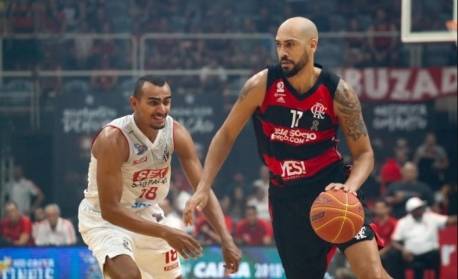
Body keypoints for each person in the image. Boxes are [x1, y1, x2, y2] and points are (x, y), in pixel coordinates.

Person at [185, 17, 391, 279]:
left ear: (312, 45)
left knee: (370, 272)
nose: (283, 52)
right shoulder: (261, 85)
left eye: (291, 45)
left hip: (332, 187)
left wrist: (350, 187)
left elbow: (364, 154)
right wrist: (203, 186)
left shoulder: (338, 93)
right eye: (279, 45)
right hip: (287, 198)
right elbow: (225, 135)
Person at [78, 76, 241, 279]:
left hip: (146, 214)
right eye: (153, 102)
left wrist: (226, 239)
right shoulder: (114, 139)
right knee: (129, 276)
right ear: (134, 103)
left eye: (166, 102)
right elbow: (111, 211)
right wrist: (166, 232)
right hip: (103, 218)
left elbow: (203, 190)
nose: (162, 109)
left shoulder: (176, 133)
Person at [391, 197, 457, 279]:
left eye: (421, 208)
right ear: (411, 211)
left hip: (430, 254)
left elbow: (450, 221)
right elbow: (394, 241)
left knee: (434, 255)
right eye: (418, 209)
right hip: (412, 256)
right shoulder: (403, 222)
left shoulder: (431, 217)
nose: (421, 210)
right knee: (396, 257)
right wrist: (403, 249)